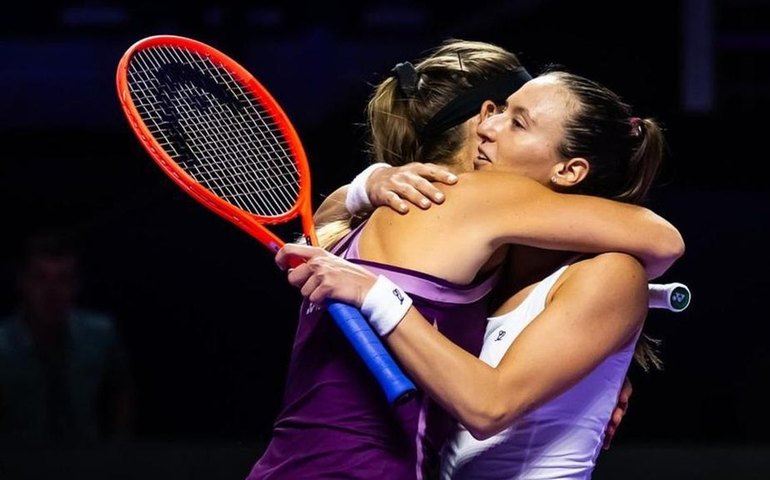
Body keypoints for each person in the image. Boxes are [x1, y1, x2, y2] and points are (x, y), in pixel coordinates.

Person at [249, 39, 683, 479]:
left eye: (517, 122)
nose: (489, 127)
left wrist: (366, 187)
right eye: (498, 112)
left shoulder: (382, 219)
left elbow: (490, 401)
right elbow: (663, 241)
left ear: (570, 170)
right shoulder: (481, 236)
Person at [0, 230, 134, 445]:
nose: (51, 292)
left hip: (87, 464)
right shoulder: (2, 345)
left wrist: (117, 449)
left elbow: (120, 388)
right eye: (40, 278)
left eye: (63, 279)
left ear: (76, 284)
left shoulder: (100, 334)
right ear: (22, 282)